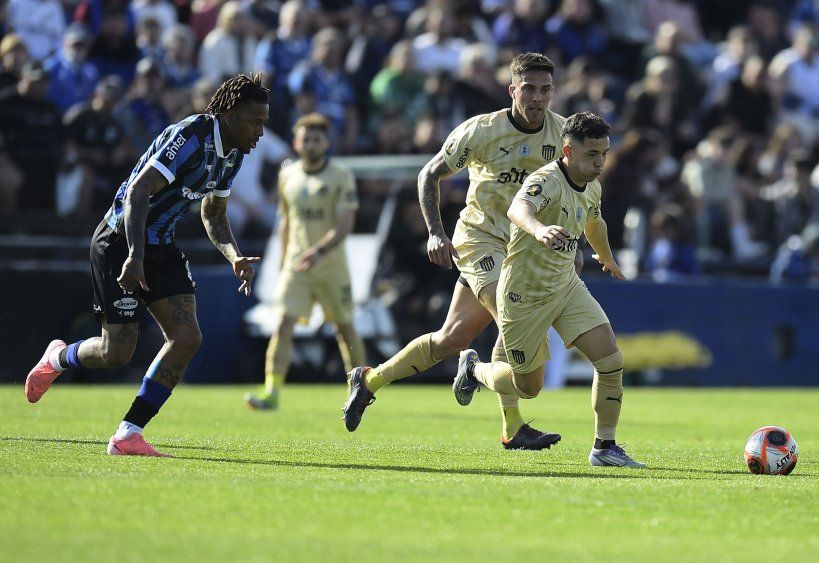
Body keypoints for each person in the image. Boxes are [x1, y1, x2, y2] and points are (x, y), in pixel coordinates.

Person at [24, 73, 269, 457]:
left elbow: (214, 212)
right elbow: (139, 189)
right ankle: (56, 358)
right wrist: (134, 255)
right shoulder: (190, 136)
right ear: (230, 114)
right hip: (120, 239)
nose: (260, 132)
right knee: (115, 352)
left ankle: (128, 433)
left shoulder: (233, 154)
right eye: (255, 122)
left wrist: (233, 254)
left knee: (187, 337)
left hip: (160, 245)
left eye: (264, 124)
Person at [344, 52, 571, 450]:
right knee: (513, 315)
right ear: (512, 89)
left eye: (546, 90)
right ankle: (513, 426)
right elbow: (430, 173)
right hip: (479, 240)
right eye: (530, 89)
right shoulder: (482, 131)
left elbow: (573, 192)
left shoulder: (563, 135)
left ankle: (369, 379)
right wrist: (435, 232)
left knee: (450, 339)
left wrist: (574, 242)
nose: (538, 98)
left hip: (524, 251)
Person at [453, 111, 645, 468]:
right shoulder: (547, 180)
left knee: (610, 359)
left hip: (566, 286)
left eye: (604, 153)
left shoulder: (592, 183)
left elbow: (594, 222)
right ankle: (474, 369)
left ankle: (605, 447)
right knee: (529, 387)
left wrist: (607, 258)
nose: (600, 162)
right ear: (568, 151)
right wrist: (539, 230)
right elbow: (518, 208)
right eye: (592, 154)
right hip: (523, 295)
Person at [245, 113, 366, 411]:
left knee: (344, 328)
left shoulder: (340, 176)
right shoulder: (288, 175)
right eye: (306, 139)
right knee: (282, 325)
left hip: (330, 266)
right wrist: (284, 258)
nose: (311, 144)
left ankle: (361, 389)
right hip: (297, 266)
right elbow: (285, 221)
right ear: (296, 142)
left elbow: (345, 224)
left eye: (317, 139)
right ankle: (271, 392)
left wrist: (319, 251)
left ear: (326, 142)